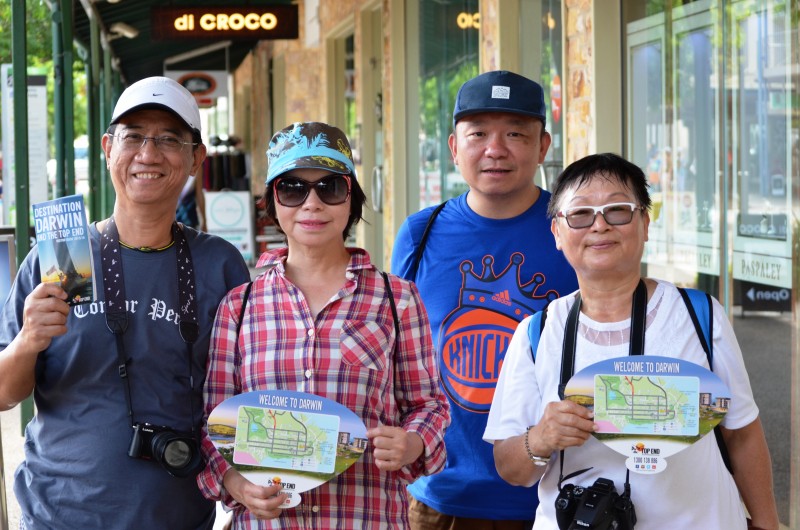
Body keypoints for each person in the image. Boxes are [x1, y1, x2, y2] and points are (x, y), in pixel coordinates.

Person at [0, 76, 251, 529]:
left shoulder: (219, 265)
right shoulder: (59, 256)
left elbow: (245, 395)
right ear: (108, 148)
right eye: (133, 136)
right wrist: (28, 340)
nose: (148, 154)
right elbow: (3, 393)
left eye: (169, 139)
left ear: (196, 158)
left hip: (175, 517)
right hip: (56, 515)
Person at [484, 153, 780, 530]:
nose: (600, 225)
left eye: (618, 210)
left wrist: (767, 522)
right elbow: (510, 468)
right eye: (580, 214)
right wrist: (540, 438)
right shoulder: (537, 333)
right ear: (558, 233)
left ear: (645, 223)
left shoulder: (698, 315)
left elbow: (741, 433)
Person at [196, 121, 450, 528]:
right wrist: (238, 486)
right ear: (272, 202)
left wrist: (413, 442)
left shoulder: (396, 298)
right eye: (293, 188)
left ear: (352, 200)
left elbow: (429, 405)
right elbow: (213, 423)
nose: (311, 204)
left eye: (330, 187)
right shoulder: (238, 307)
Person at [392, 70, 578, 528]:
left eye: (516, 133)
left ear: (543, 147)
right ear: (455, 147)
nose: (495, 149)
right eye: (478, 134)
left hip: (551, 494)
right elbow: (394, 350)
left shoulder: (575, 231)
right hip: (439, 491)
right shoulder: (421, 232)